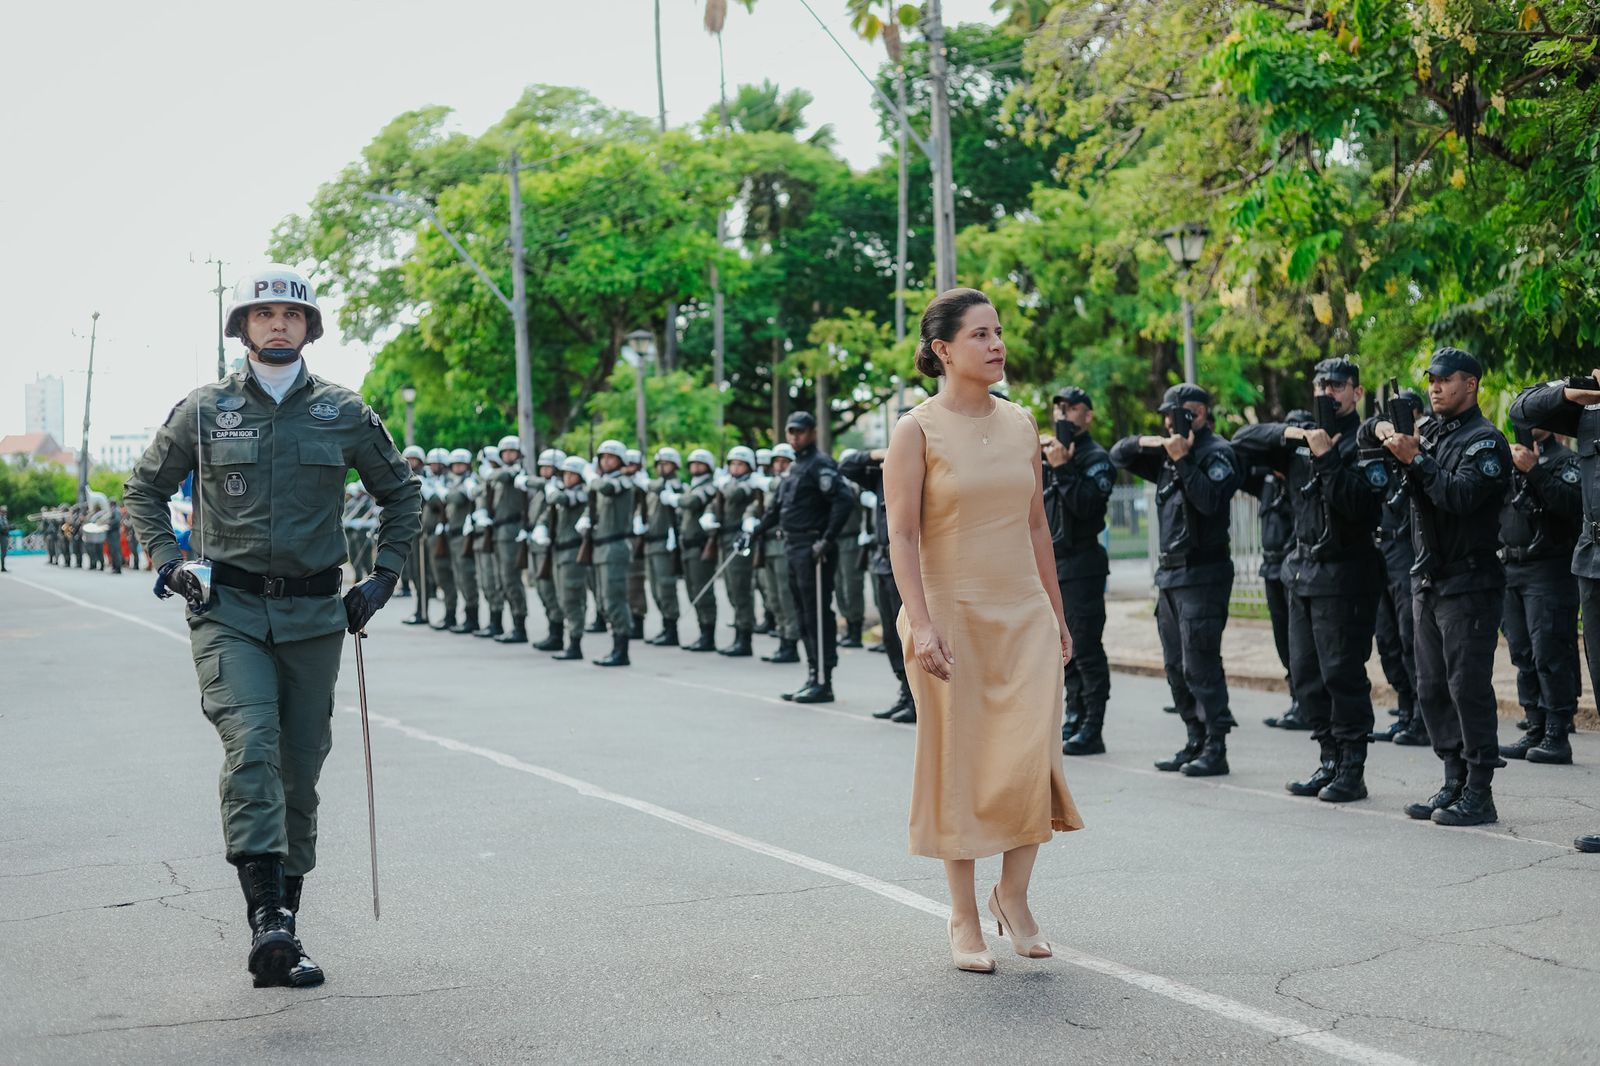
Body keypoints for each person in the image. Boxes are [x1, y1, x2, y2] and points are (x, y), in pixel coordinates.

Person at [123, 264, 421, 989]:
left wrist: (383, 576)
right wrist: (168, 561)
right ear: (245, 327)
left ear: (309, 326)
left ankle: (287, 921)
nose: (278, 323)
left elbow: (402, 494)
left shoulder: (344, 412)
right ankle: (269, 924)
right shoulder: (203, 410)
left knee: (300, 769)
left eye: (292, 313)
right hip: (229, 612)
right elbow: (144, 490)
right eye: (264, 313)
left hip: (318, 615)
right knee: (252, 746)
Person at [883, 287, 1083, 974]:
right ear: (943, 350)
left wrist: (1056, 614)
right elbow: (903, 537)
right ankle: (964, 917)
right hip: (950, 614)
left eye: (998, 332)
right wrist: (923, 625)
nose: (997, 345)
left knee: (1032, 758)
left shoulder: (1024, 423)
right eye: (980, 335)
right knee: (960, 765)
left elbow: (1036, 527)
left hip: (1022, 613)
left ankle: (1014, 896)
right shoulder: (915, 431)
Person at [1234, 359, 1387, 803]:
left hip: (1346, 575)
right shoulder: (1300, 440)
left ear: (1356, 392)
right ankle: (1328, 758)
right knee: (1304, 674)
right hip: (1301, 575)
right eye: (1320, 384)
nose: (1327, 392)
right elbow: (1242, 442)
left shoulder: (1366, 441)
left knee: (1341, 673)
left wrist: (1328, 458)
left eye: (1337, 385)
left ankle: (1352, 767)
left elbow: (1359, 506)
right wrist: (1297, 436)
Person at [1372, 347, 1511, 826]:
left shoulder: (1486, 442)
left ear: (1470, 384)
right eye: (1431, 379)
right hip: (1428, 580)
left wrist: (1418, 462)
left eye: (1445, 380)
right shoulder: (1427, 433)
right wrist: (1385, 434)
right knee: (1430, 685)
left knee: (1466, 686)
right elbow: (1372, 457)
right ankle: (1452, 777)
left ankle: (1479, 790)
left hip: (1469, 581)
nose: (1434, 387)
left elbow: (1461, 497)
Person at [1111, 383, 1242, 777]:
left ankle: (1215, 747)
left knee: (1200, 664)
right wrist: (1162, 443)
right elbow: (1120, 453)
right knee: (1175, 664)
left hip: (1203, 573)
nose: (1170, 421)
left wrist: (1185, 461)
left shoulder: (1217, 452)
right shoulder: (1167, 453)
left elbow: (1209, 501)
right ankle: (1193, 739)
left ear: (1199, 412)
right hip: (1170, 575)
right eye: (1167, 414)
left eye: (1178, 414)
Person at [746, 411, 854, 704]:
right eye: (791, 431)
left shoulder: (820, 465)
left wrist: (826, 539)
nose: (795, 436)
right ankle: (812, 674)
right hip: (792, 547)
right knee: (802, 612)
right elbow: (777, 508)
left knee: (816, 612)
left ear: (812, 432)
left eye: (801, 431)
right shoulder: (795, 468)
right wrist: (755, 531)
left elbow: (844, 501)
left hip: (813, 549)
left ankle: (823, 679)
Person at [1502, 406, 1585, 763]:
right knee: (1522, 653)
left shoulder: (1566, 461)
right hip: (1511, 567)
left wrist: (1534, 471)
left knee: (1550, 651)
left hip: (1549, 569)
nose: (1528, 422)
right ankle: (1534, 726)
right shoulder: (1508, 460)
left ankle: (1557, 732)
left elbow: (1571, 505)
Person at [1043, 388, 1115, 755]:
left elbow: (1088, 508)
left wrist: (1063, 468)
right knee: (1062, 650)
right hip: (1054, 566)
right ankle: (1074, 716)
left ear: (1088, 415)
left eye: (1073, 409)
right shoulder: (1048, 454)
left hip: (1083, 565)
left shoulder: (1094, 458)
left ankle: (1093, 726)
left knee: (1085, 647)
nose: (1064, 414)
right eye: (1060, 408)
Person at [1369, 393, 1428, 745]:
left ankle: (1423, 715)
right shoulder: (1384, 453)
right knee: (1388, 639)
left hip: (1407, 548)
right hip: (1382, 548)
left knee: (1410, 637)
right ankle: (1406, 710)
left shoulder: (1422, 450)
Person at [841, 442, 914, 722]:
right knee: (890, 634)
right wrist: (878, 454)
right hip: (883, 561)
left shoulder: (922, 467)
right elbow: (846, 465)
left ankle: (917, 697)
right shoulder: (882, 471)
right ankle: (905, 692)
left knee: (909, 634)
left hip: (908, 562)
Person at [1248, 410, 1306, 731]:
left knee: (1300, 641)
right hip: (1270, 567)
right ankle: (1296, 697)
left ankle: (1307, 702)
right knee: (1282, 639)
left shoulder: (1307, 473)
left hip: (1293, 566)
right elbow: (1242, 444)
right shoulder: (1268, 478)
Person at [587, 440, 636, 666]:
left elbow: (606, 488)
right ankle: (615, 646)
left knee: (615, 600)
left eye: (611, 457)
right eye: (603, 457)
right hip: (601, 547)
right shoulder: (605, 482)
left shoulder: (622, 482)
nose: (606, 461)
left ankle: (621, 650)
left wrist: (591, 477)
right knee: (605, 601)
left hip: (615, 548)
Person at [542, 455, 591, 661]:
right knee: (561, 597)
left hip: (573, 553)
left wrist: (552, 490)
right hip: (559, 552)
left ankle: (575, 643)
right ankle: (562, 638)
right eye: (566, 474)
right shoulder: (565, 492)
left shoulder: (581, 495)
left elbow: (558, 499)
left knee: (572, 598)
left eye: (573, 474)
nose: (568, 478)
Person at [757, 443, 802, 665]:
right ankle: (783, 638)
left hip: (784, 545)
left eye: (784, 461)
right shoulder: (771, 486)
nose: (779, 465)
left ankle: (791, 642)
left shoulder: (791, 483)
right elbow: (763, 509)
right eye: (776, 461)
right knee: (772, 595)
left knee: (786, 596)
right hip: (768, 546)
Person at [717, 446, 760, 657]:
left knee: (741, 589)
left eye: (740, 464)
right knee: (732, 589)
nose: (735, 467)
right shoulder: (731, 483)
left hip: (740, 540)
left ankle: (744, 638)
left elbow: (732, 495)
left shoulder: (748, 486)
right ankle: (739, 632)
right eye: (732, 463)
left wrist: (723, 483)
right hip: (725, 539)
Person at [677, 449, 721, 653]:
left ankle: (708, 635)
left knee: (703, 591)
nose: (695, 467)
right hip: (687, 546)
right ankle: (702, 630)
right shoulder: (693, 486)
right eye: (693, 463)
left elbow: (692, 502)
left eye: (700, 463)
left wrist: (675, 498)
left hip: (700, 546)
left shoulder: (709, 486)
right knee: (692, 590)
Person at [486, 436, 529, 645]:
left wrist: (491, 472)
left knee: (511, 579)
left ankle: (520, 625)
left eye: (512, 452)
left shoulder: (516, 473)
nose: (508, 456)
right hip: (499, 531)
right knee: (502, 579)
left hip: (511, 530)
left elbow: (502, 476)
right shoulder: (503, 475)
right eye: (505, 452)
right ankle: (511, 623)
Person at [641, 447, 685, 646]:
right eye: (659, 464)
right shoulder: (654, 488)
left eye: (666, 463)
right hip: (651, 543)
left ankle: (671, 629)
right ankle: (664, 625)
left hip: (665, 544)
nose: (662, 467)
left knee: (666, 587)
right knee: (655, 589)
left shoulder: (676, 487)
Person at [526, 449, 567, 650]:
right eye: (542, 467)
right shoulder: (544, 490)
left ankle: (557, 633)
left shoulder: (556, 489)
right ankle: (553, 629)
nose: (544, 471)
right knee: (542, 590)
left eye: (548, 467)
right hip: (536, 544)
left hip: (548, 547)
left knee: (550, 590)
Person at [441, 448, 481, 634]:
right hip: (453, 535)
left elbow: (458, 498)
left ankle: (472, 619)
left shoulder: (469, 482)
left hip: (464, 536)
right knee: (458, 576)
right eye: (455, 464)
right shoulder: (453, 482)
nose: (457, 467)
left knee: (467, 577)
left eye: (461, 464)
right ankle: (466, 617)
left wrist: (444, 494)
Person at [832, 458, 867, 648]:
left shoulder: (856, 487)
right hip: (836, 539)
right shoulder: (837, 484)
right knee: (838, 586)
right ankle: (848, 623)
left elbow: (855, 497)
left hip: (851, 540)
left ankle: (856, 630)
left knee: (851, 586)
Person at [623, 448, 650, 640]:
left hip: (637, 538)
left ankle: (637, 619)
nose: (629, 469)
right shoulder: (623, 484)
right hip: (623, 536)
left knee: (635, 582)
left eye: (633, 465)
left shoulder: (644, 485)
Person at [398, 445, 426, 599]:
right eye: (408, 459)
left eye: (414, 459)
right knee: (407, 565)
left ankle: (422, 606)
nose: (411, 462)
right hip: (406, 528)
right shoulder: (402, 479)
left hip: (421, 529)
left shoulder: (426, 481)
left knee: (420, 570)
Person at [0, 505, 9, 572]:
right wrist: (9, 527)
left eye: (5, 512)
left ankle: (3, 567)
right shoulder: (0, 519)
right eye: (3, 511)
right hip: (2, 536)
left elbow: (6, 528)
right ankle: (3, 567)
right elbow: (2, 528)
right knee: (3, 552)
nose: (4, 513)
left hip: (5, 536)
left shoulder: (5, 518)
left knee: (4, 552)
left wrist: (11, 527)